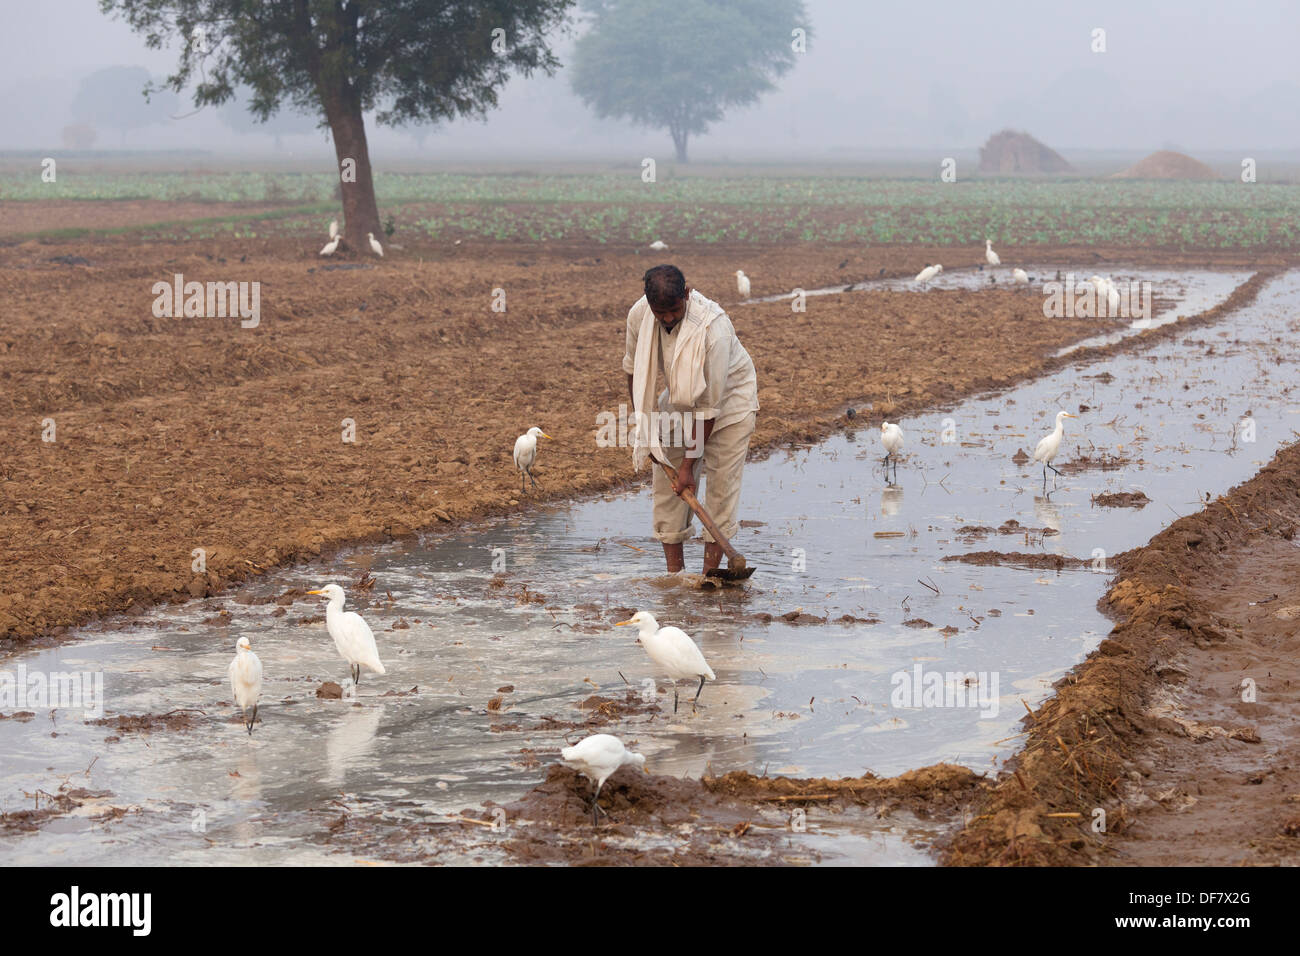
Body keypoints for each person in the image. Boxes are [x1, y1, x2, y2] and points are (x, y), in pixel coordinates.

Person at [623, 265, 759, 574]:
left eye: (674, 309)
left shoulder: (715, 330)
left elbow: (708, 410)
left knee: (721, 489)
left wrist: (688, 467)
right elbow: (632, 370)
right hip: (678, 398)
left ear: (687, 294)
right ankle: (675, 576)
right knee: (666, 481)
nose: (668, 318)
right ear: (648, 302)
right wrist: (645, 429)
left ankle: (709, 577)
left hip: (730, 404)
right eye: (661, 312)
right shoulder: (639, 316)